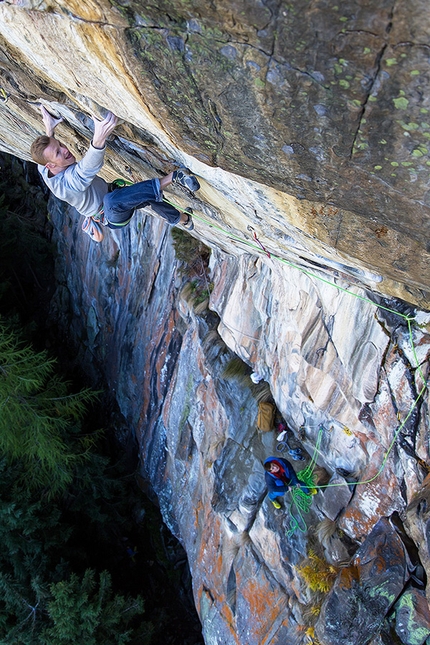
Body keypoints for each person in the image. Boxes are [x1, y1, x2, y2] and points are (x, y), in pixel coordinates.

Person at [30, 106, 200, 242]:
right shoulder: (68, 185)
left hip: (116, 197)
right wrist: (98, 140)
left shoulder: (44, 168)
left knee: (147, 197)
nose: (65, 150)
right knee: (111, 201)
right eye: (59, 153)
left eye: (60, 144)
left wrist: (49, 129)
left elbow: (46, 155)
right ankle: (176, 177)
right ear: (51, 165)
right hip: (112, 215)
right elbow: (85, 171)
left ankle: (184, 220)